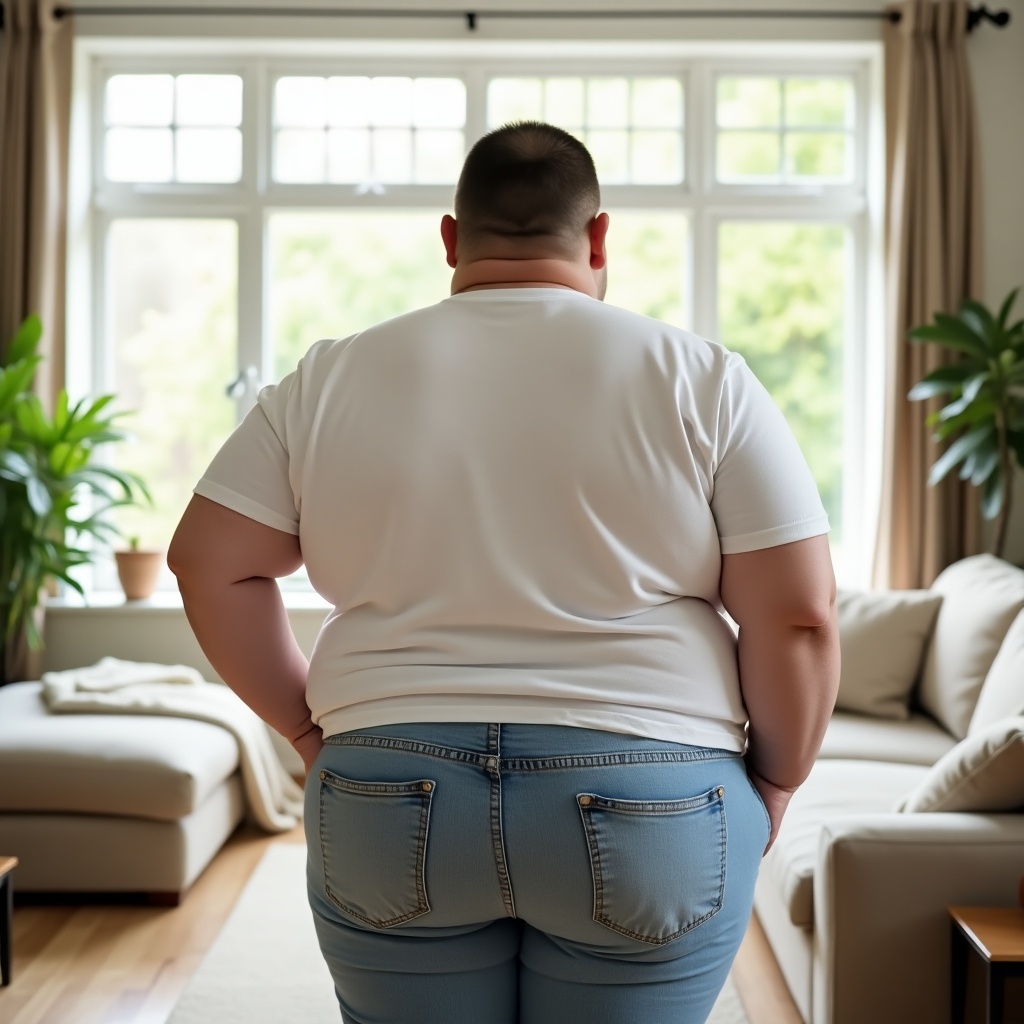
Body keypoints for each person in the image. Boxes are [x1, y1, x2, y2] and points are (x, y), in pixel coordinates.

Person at [168, 121, 840, 1024]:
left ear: (451, 237)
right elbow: (797, 616)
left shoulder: (327, 378)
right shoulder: (703, 379)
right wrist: (778, 779)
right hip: (654, 798)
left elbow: (206, 565)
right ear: (600, 236)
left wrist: (303, 726)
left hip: (388, 790)